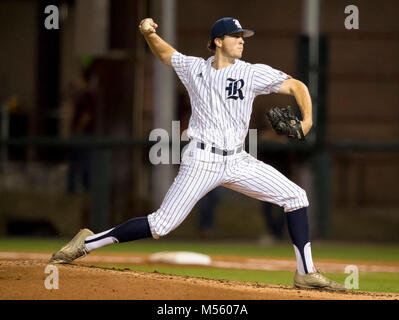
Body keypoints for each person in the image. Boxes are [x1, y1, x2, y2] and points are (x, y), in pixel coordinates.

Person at [50, 17, 345, 291]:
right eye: (235, 36)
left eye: (243, 37)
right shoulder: (195, 68)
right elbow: (165, 53)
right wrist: (149, 33)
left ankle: (305, 272)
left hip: (239, 160)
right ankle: (88, 242)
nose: (242, 40)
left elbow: (296, 85)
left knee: (295, 197)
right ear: (218, 41)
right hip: (202, 160)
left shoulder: (252, 72)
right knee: (160, 225)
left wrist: (306, 121)